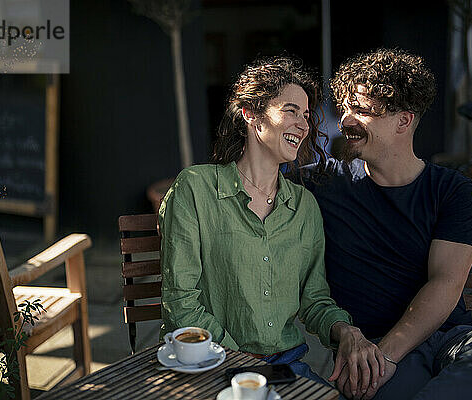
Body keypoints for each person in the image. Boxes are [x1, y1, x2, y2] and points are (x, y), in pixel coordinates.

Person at [303, 48, 472, 399]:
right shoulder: (324, 182)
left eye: (361, 110)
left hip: (448, 342)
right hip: (372, 351)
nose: (344, 121)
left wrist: (388, 354)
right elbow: (255, 177)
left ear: (403, 121)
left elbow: (446, 283)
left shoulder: (450, 190)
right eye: (344, 109)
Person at [159, 56, 383, 391]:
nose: (304, 125)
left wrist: (345, 330)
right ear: (250, 115)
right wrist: (240, 362)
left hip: (285, 364)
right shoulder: (195, 188)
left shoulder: (304, 205)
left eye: (306, 115)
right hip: (210, 363)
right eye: (291, 110)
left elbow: (315, 297)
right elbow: (181, 300)